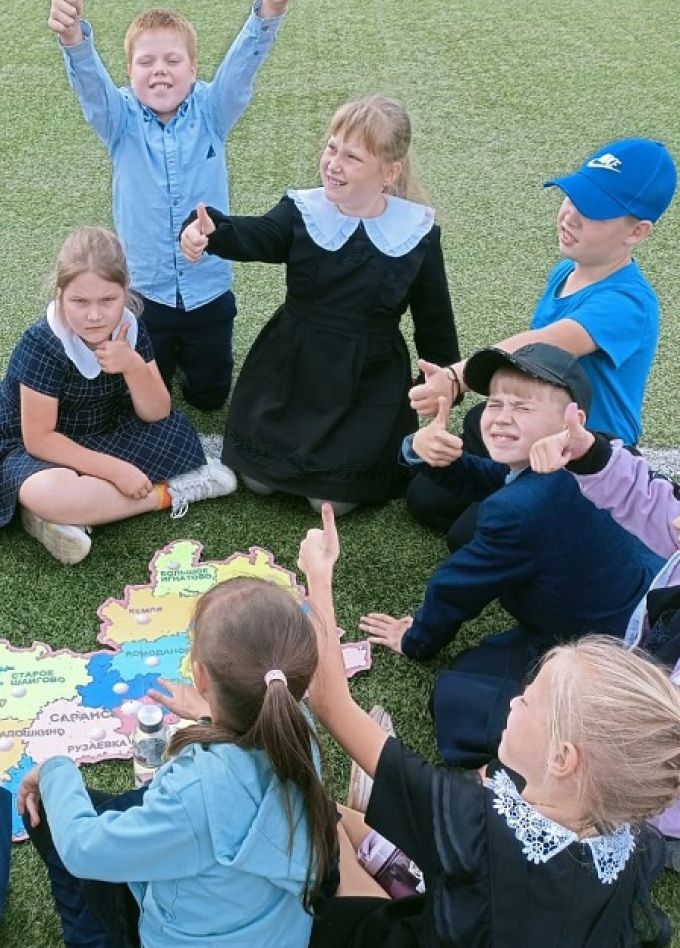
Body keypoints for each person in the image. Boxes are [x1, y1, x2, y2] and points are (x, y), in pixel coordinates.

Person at [298, 505, 680, 948]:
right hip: (482, 914)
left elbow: (329, 701)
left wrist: (318, 575)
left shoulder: (472, 822)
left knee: (316, 815)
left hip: (426, 931)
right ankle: (392, 849)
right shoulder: (627, 837)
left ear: (561, 758)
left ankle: (381, 857)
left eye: (529, 699)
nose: (515, 700)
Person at [359, 343, 663, 767]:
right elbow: (501, 479)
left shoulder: (520, 510)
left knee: (460, 696)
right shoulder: (591, 455)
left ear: (571, 419)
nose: (501, 416)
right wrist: (423, 448)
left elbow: (455, 587)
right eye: (495, 403)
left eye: (522, 407)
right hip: (644, 592)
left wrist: (416, 640)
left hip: (611, 643)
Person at [18, 577, 338, 948]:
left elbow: (84, 850)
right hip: (278, 933)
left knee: (45, 808)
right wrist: (210, 715)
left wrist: (56, 770)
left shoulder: (194, 793)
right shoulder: (297, 730)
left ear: (200, 675)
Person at [180, 94, 460, 514]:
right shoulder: (303, 211)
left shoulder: (416, 233)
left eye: (352, 157)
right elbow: (257, 235)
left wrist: (445, 383)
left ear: (390, 172)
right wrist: (209, 232)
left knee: (329, 501)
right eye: (332, 147)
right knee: (256, 480)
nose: (333, 163)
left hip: (365, 383)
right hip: (290, 367)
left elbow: (434, 321)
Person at [407, 137, 677, 548]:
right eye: (573, 197)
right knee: (425, 497)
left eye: (594, 210)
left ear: (637, 232)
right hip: (538, 422)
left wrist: (456, 377)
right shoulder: (567, 271)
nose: (570, 214)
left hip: (581, 447)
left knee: (469, 535)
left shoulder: (627, 303)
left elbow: (540, 343)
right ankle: (515, 492)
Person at [48, 0, 289, 411]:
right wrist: (73, 39)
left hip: (208, 291)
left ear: (194, 70)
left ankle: (196, 374)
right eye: (146, 61)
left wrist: (268, 13)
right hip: (146, 294)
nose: (160, 69)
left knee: (210, 397)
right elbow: (91, 85)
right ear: (129, 73)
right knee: (143, 394)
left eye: (173, 60)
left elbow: (242, 67)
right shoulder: (119, 118)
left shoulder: (213, 110)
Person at [0, 227, 236, 565]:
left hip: (106, 432)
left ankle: (59, 516)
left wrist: (133, 366)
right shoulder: (42, 344)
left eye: (107, 300)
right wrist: (116, 471)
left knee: (176, 433)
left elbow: (157, 412)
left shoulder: (131, 327)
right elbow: (39, 439)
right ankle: (172, 492)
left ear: (124, 292)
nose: (94, 315)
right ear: (60, 295)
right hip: (35, 448)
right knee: (47, 491)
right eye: (79, 301)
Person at [530, 403, 680, 855]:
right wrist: (588, 452)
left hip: (655, 795)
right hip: (637, 698)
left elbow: (656, 747)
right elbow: (654, 505)